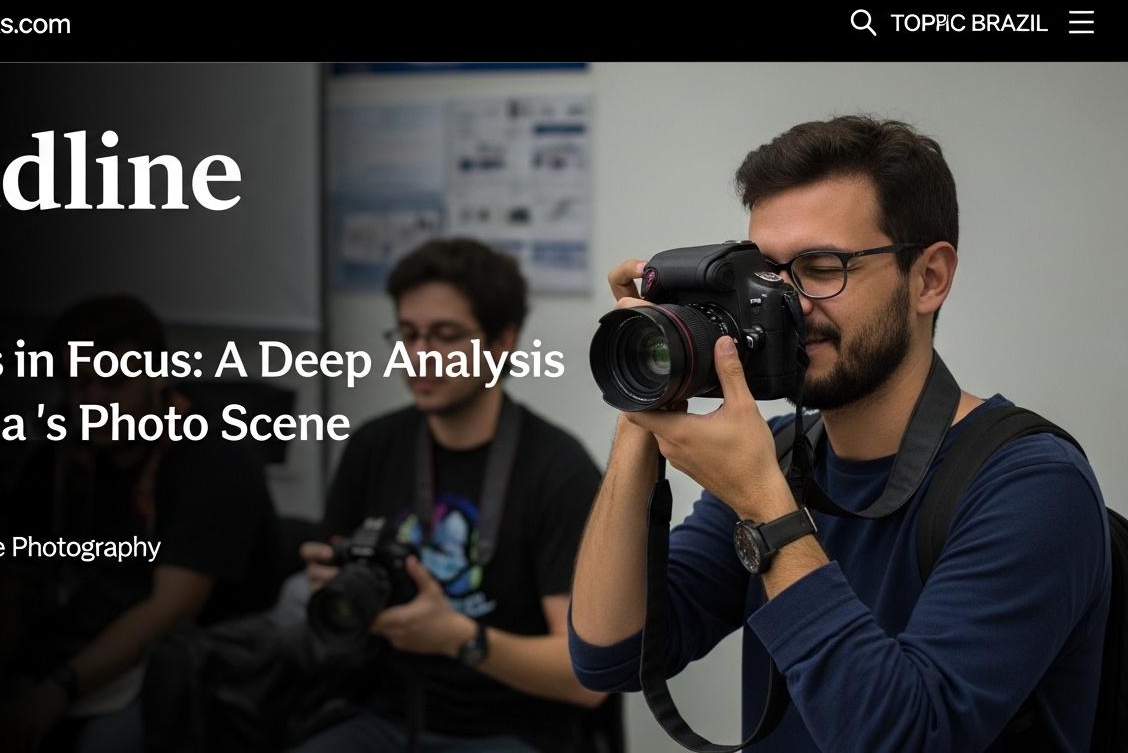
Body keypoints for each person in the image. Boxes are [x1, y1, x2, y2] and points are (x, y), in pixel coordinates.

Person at [568, 115, 1112, 752]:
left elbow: (905, 738)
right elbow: (610, 652)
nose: (785, 305)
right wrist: (648, 398)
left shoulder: (1031, 485)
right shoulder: (776, 456)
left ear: (929, 278)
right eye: (766, 275)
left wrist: (769, 512)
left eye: (821, 267)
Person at [296, 239, 607, 752]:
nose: (419, 355)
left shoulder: (558, 470)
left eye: (444, 337)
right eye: (408, 334)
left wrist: (458, 636)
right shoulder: (375, 446)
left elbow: (586, 678)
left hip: (510, 729)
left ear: (502, 340)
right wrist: (327, 582)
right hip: (380, 713)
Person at [0, 295, 286, 753]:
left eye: (113, 384)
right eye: (79, 385)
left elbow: (171, 607)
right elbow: (14, 577)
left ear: (156, 379)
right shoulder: (61, 454)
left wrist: (58, 689)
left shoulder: (214, 456)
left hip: (191, 657)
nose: (94, 403)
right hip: (84, 642)